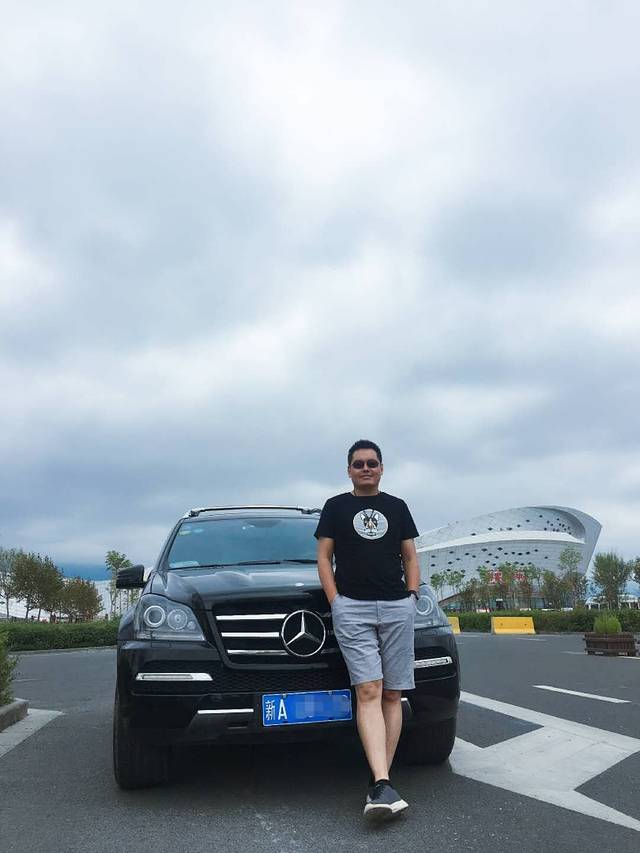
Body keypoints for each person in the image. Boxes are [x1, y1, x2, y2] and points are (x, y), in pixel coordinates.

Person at [315, 439, 421, 820]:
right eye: (358, 464)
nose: (365, 469)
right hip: (353, 609)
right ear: (348, 470)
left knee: (393, 693)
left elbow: (410, 556)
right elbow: (324, 557)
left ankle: (380, 781)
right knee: (369, 689)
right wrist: (336, 602)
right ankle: (382, 782)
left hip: (396, 607)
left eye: (371, 463)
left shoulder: (397, 507)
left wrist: (411, 597)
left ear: (381, 468)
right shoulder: (335, 507)